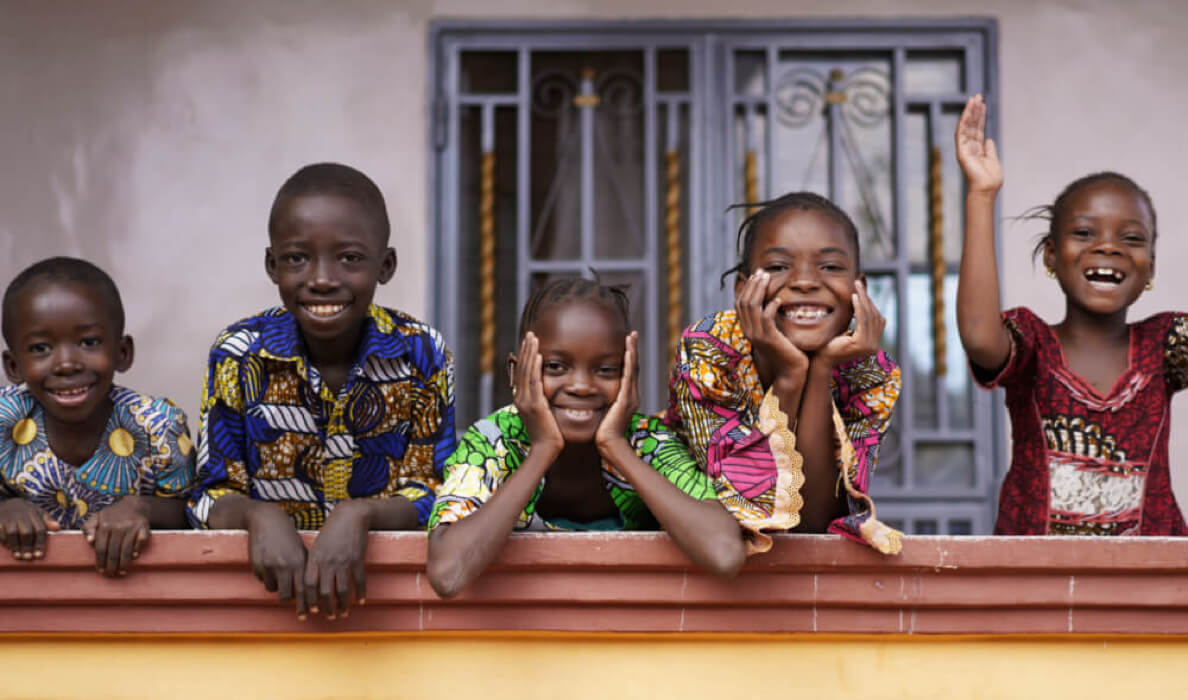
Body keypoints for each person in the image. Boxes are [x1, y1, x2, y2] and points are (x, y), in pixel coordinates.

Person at [188, 163, 456, 618]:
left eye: (349, 258)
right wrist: (259, 516)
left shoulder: (421, 352)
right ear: (272, 265)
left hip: (388, 609)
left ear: (385, 265)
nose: (322, 278)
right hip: (263, 608)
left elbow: (434, 492)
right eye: (297, 258)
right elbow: (207, 496)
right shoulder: (237, 354)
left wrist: (359, 514)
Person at [955, 94, 1187, 535]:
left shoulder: (1166, 343)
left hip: (1154, 584)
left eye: (1132, 239)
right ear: (1051, 256)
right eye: (1084, 233)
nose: (1108, 246)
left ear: (1151, 267)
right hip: (1037, 582)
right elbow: (981, 336)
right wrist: (982, 195)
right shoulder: (1032, 343)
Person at [427, 277, 745, 598]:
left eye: (606, 370)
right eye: (555, 366)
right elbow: (448, 573)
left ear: (630, 374)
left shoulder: (647, 441)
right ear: (517, 371)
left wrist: (616, 447)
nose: (581, 385)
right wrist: (542, 450)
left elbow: (724, 553)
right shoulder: (494, 440)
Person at [666, 192, 903, 556]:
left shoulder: (871, 374)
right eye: (778, 267)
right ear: (743, 290)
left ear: (861, 289)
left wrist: (821, 370)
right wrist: (792, 375)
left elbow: (811, 521)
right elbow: (751, 504)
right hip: (701, 541)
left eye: (830, 267)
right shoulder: (708, 350)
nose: (805, 282)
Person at [0, 257, 194, 575]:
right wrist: (5, 509)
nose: (66, 364)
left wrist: (141, 507)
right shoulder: (4, 421)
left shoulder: (158, 425)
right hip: (28, 604)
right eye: (40, 348)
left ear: (122, 352)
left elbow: (194, 511)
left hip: (136, 598)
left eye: (89, 342)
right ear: (13, 367)